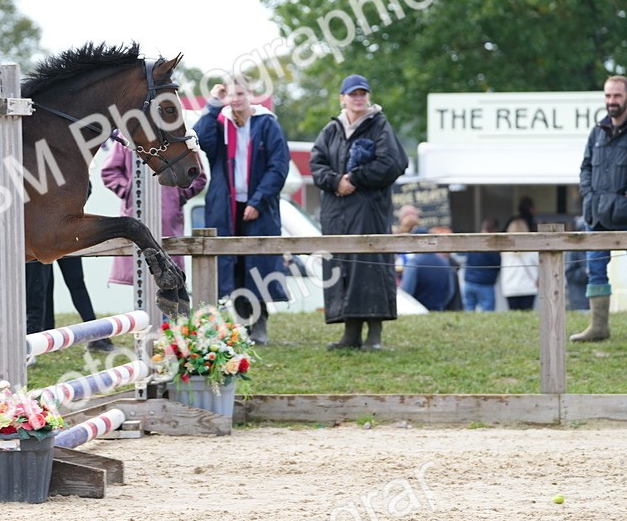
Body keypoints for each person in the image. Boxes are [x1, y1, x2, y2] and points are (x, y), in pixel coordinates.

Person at [310, 74, 409, 350]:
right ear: (342, 98)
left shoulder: (379, 126)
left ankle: (374, 335)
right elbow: (316, 164)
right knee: (341, 268)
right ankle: (350, 334)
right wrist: (335, 181)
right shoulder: (331, 130)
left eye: (362, 93)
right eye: (352, 94)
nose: (358, 98)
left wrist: (355, 178)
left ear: (368, 97)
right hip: (336, 214)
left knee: (371, 268)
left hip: (369, 212)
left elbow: (393, 163)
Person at [194, 78, 289, 344]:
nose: (234, 99)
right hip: (225, 206)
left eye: (239, 93)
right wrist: (213, 104)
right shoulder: (219, 123)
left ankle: (260, 322)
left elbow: (278, 166)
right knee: (230, 266)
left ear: (250, 95)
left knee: (257, 264)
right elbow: (199, 139)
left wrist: (258, 202)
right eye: (229, 94)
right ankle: (241, 324)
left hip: (259, 206)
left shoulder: (267, 123)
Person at [100, 138, 207, 307]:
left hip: (168, 217)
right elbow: (109, 171)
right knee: (141, 269)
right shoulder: (127, 135)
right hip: (137, 212)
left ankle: (169, 321)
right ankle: (144, 317)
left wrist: (178, 196)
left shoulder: (177, 135)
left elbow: (198, 176)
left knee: (170, 266)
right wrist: (128, 191)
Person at [571, 75, 627, 341]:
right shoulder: (597, 130)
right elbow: (585, 166)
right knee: (595, 270)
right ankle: (599, 327)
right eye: (608, 96)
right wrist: (588, 193)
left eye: (617, 96)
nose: (611, 101)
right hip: (595, 215)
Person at [400, 227, 456, 312]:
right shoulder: (444, 262)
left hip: (417, 313)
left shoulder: (414, 263)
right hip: (438, 310)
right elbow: (450, 291)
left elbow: (407, 292)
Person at [461, 217, 501, 312]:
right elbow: (497, 264)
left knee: (468, 311)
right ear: (494, 230)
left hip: (469, 282)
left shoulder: (473, 241)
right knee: (488, 312)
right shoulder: (492, 245)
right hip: (485, 284)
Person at [499, 216, 538, 310]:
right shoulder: (532, 249)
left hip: (510, 287)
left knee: (513, 316)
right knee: (527, 315)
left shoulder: (504, 251)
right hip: (528, 287)